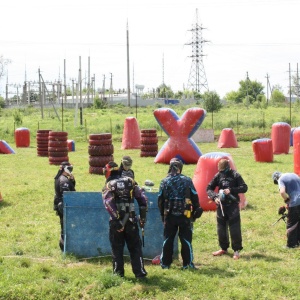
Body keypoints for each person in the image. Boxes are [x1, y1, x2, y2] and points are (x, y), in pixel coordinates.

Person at [102, 161, 148, 279]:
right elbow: (143, 200)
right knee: (135, 248)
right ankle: (140, 274)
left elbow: (108, 203)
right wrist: (143, 218)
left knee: (117, 249)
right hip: (131, 221)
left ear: (107, 172)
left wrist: (117, 221)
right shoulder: (130, 181)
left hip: (116, 223)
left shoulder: (109, 185)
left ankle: (118, 275)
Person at [158, 157, 203, 270]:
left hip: (169, 215)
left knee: (168, 239)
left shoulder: (164, 181)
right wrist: (196, 209)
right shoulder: (187, 180)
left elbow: (160, 200)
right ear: (180, 168)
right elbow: (194, 196)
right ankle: (187, 264)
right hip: (185, 215)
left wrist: (162, 216)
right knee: (186, 240)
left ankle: (165, 264)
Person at [206, 158, 248, 260]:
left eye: (223, 170)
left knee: (234, 229)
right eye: (220, 170)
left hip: (233, 205)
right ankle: (223, 248)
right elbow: (209, 188)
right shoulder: (218, 175)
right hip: (221, 205)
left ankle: (236, 251)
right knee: (221, 228)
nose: (221, 172)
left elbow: (244, 187)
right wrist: (215, 197)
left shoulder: (235, 175)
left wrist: (231, 190)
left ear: (228, 168)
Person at [272, 171, 300, 248]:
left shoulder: (281, 179)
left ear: (276, 178)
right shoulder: (294, 175)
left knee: (291, 224)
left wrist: (287, 200)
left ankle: (291, 245)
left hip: (295, 202)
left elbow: (282, 192)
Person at [53, 161, 76, 251]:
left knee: (65, 226)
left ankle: (65, 246)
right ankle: (64, 247)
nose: (71, 170)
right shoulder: (63, 180)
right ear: (64, 169)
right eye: (69, 169)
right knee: (65, 228)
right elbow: (67, 195)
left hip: (63, 206)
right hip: (64, 206)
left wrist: (72, 181)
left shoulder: (62, 178)